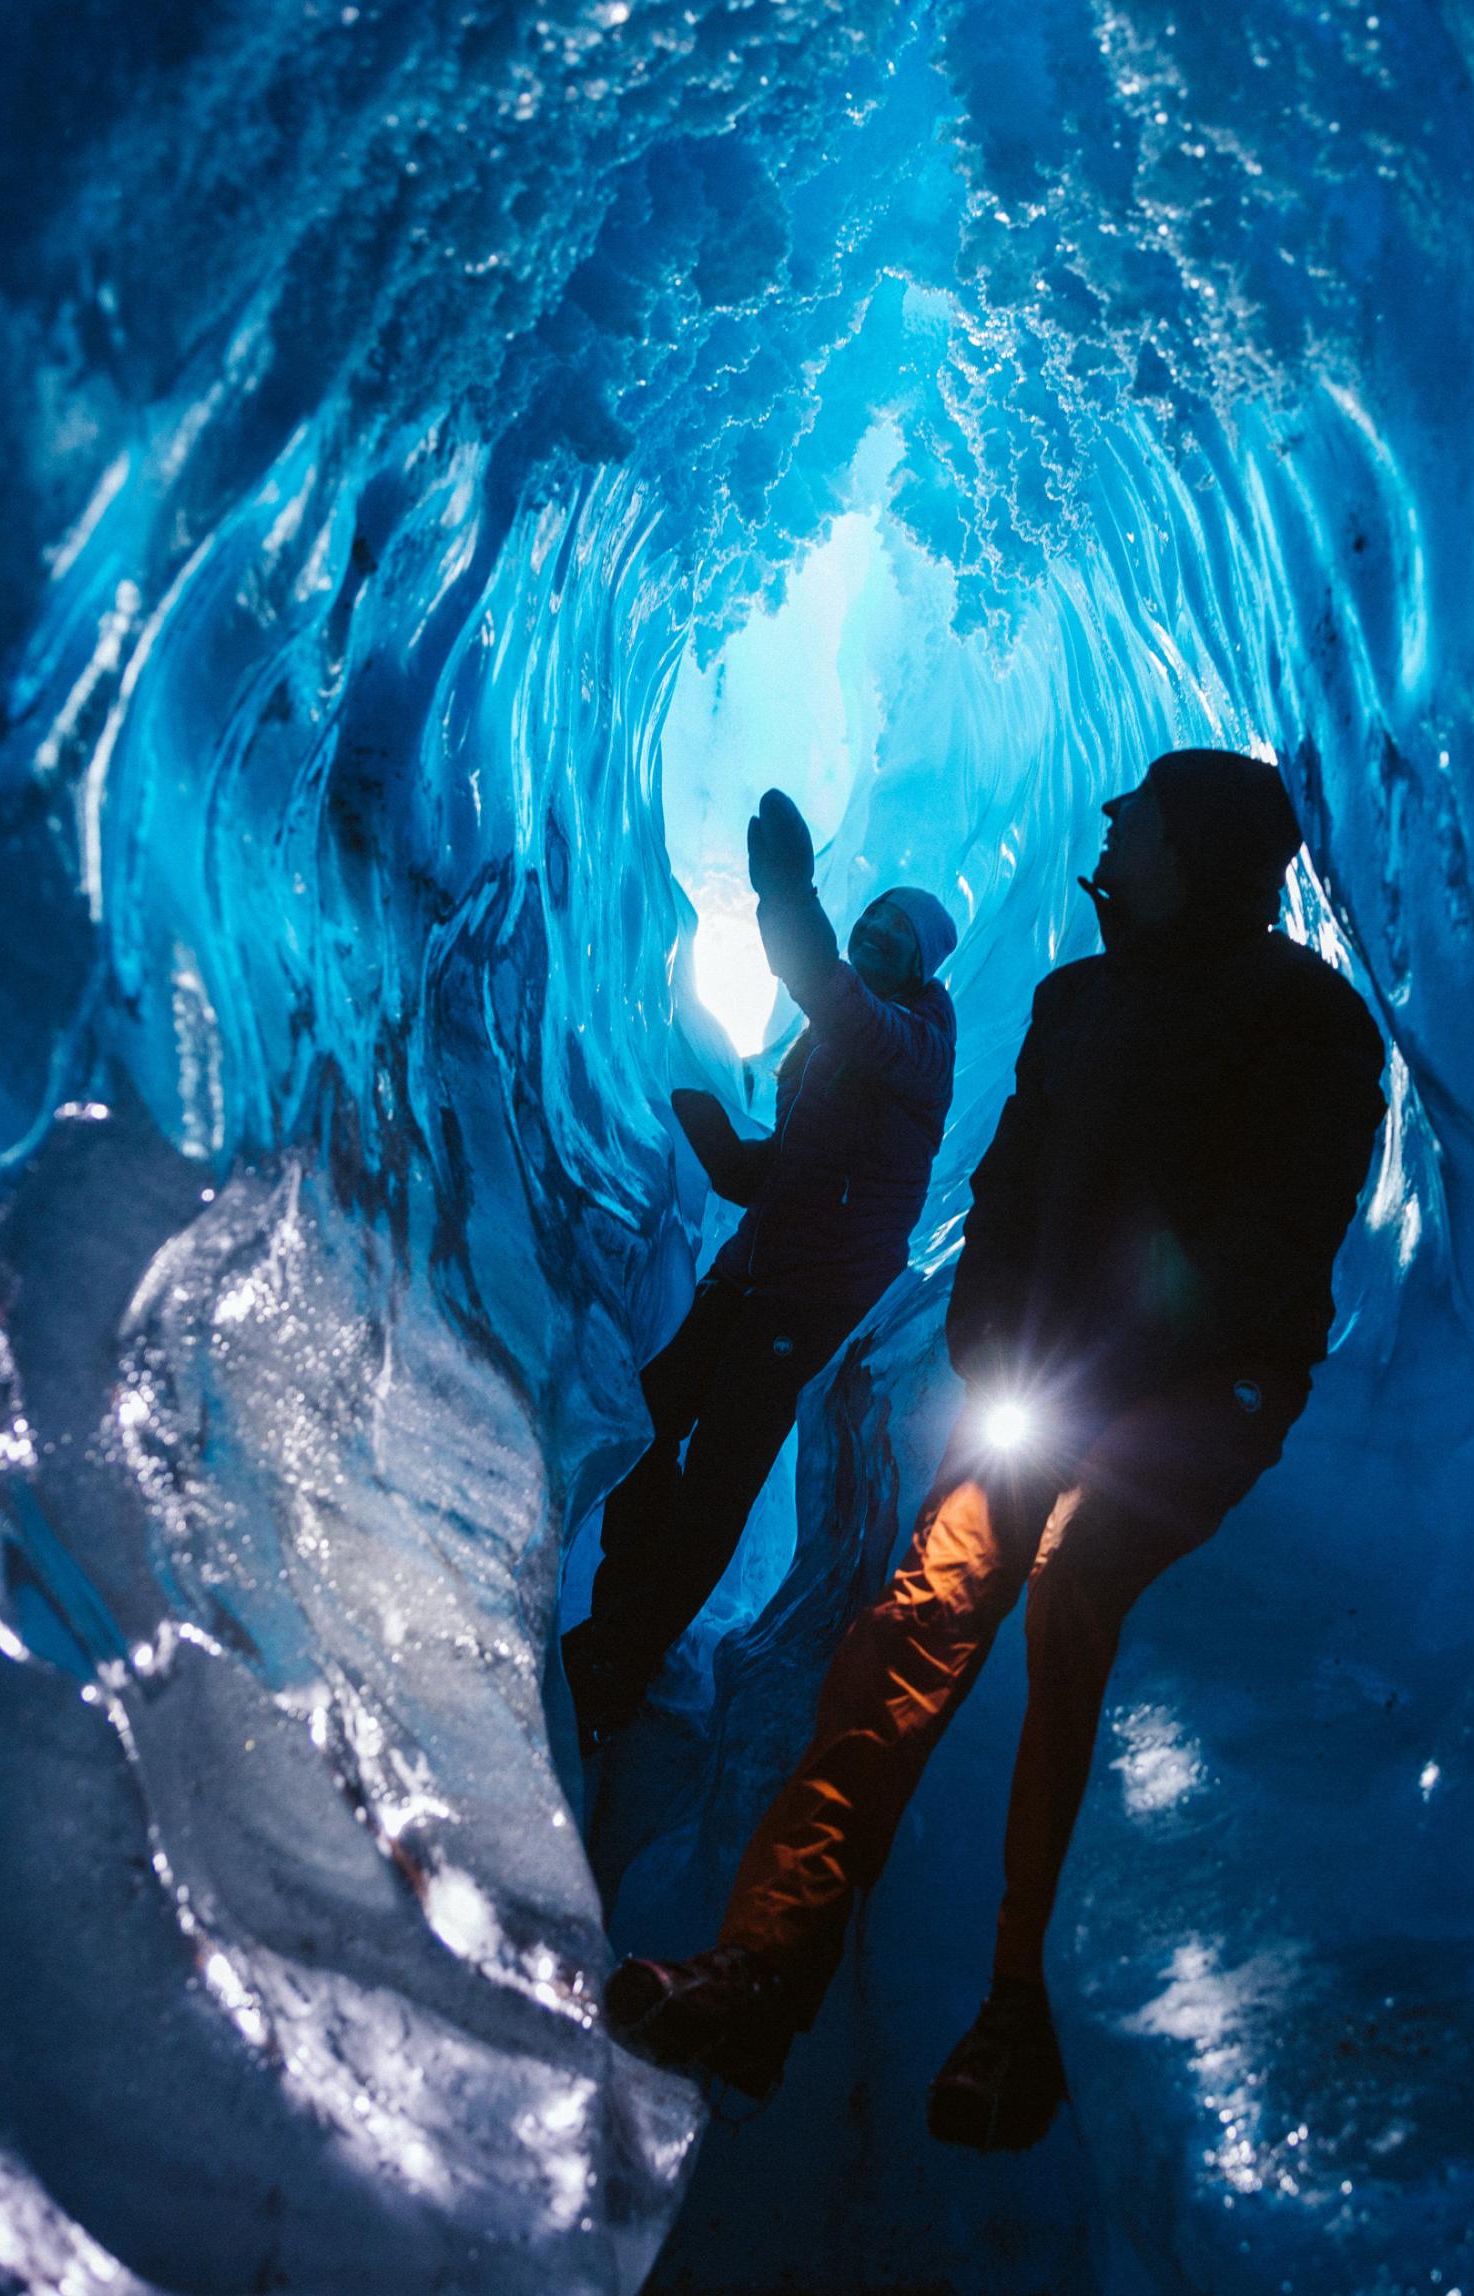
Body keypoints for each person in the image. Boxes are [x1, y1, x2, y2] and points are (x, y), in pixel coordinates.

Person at [606, 747, 1387, 2153]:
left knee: (1076, 1610)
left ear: (1194, 849)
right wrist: (985, 1328)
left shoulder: (1307, 1022)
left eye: (1134, 818)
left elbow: (1284, 1236)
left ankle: (1022, 2019)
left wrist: (1141, 1361)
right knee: (910, 1631)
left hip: (1189, 1404)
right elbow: (1010, 1176)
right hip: (1052, 1388)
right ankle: (755, 1970)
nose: (1107, 829)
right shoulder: (1073, 1001)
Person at [561, 790, 959, 1751]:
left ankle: (623, 1657)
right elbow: (793, 1168)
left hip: (812, 1302)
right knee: (648, 1426)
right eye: (873, 919)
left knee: (719, 1483)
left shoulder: (914, 1044)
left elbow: (830, 989)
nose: (875, 935)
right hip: (750, 1274)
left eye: (894, 933)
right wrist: (728, 1155)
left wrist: (785, 896)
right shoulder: (832, 1042)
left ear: (922, 963)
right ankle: (615, 1618)